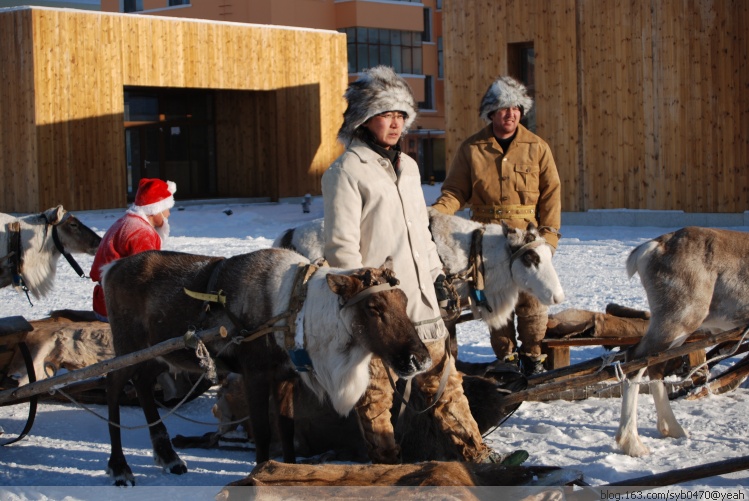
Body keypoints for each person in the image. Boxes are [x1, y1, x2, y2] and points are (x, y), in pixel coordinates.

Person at [322, 66, 525, 465]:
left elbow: (421, 233)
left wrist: (437, 279)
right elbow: (341, 250)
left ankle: (476, 456)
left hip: (421, 299)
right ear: (365, 119)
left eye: (401, 115)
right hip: (379, 309)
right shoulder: (345, 171)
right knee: (377, 394)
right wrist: (367, 304)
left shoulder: (409, 168)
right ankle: (387, 465)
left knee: (445, 381)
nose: (396, 123)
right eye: (386, 114)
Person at [432, 76, 561, 376]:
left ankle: (534, 358)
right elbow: (454, 192)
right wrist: (435, 215)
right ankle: (507, 360)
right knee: (496, 302)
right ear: (491, 113)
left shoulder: (538, 147)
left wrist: (550, 239)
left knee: (532, 303)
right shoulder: (472, 149)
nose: (511, 114)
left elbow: (552, 195)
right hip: (487, 246)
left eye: (516, 108)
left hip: (528, 242)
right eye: (504, 109)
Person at [90, 178, 176, 321]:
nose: (168, 214)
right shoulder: (142, 233)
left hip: (106, 301)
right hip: (116, 307)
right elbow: (146, 278)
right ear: (155, 210)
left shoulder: (127, 222)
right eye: (167, 209)